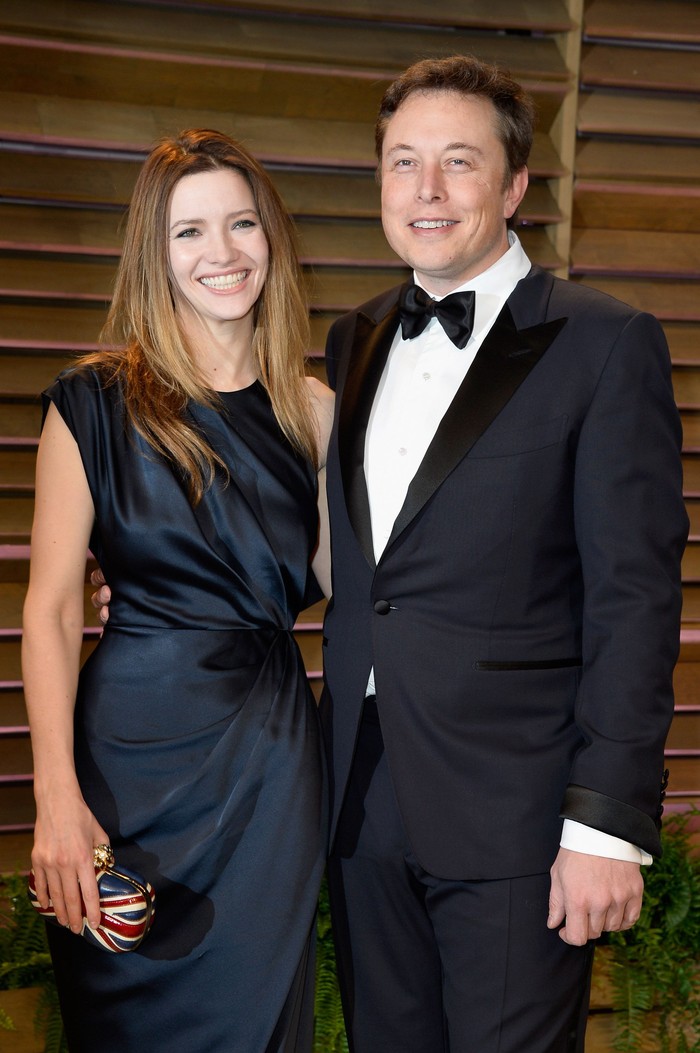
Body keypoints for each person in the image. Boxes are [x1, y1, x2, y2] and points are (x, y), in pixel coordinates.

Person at [319, 55, 688, 1052]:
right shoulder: (349, 341)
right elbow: (354, 564)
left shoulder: (607, 343)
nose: (425, 192)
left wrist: (604, 825)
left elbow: (635, 600)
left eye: (457, 163)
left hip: (517, 811)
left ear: (515, 186)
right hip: (358, 793)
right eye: (402, 163)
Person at [22, 128, 333, 1053]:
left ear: (271, 237)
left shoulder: (314, 411)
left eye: (242, 224)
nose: (223, 253)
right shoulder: (90, 403)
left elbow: (356, 585)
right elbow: (47, 608)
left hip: (270, 772)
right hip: (124, 771)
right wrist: (55, 800)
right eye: (189, 232)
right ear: (153, 255)